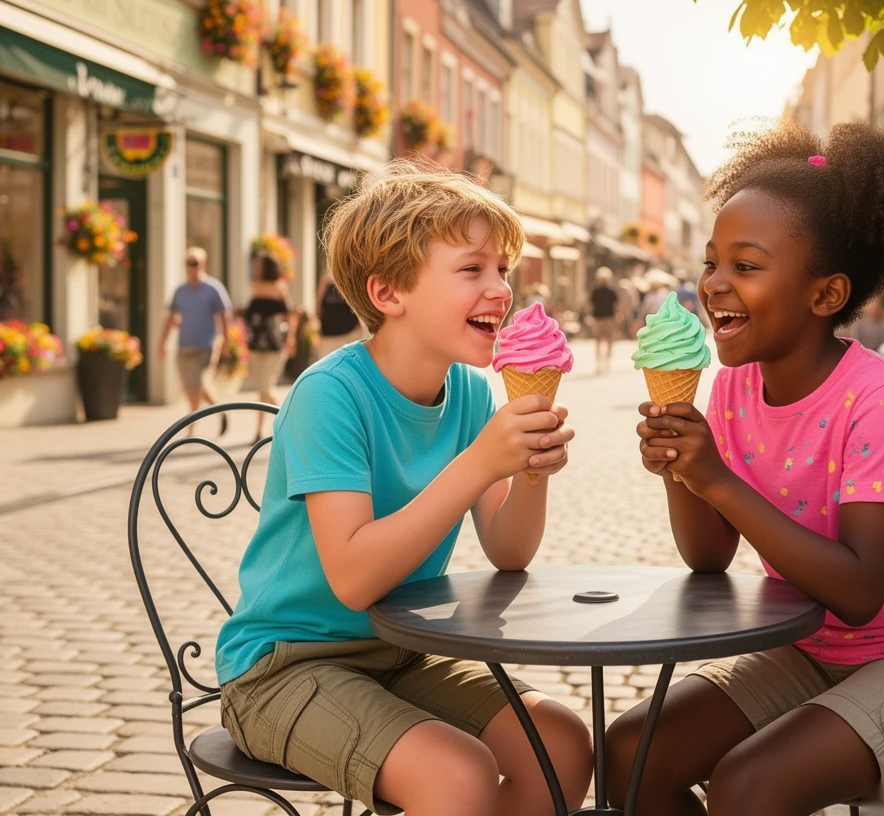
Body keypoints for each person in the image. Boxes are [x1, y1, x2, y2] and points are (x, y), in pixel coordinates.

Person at [605, 122, 884, 816]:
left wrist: (720, 481)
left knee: (749, 785)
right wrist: (682, 469)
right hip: (810, 649)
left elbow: (858, 590)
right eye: (713, 262)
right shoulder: (732, 387)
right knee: (630, 750)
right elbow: (707, 555)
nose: (714, 285)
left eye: (747, 266)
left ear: (825, 295)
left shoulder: (879, 401)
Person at [214, 164, 592, 816]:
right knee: (459, 777)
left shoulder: (471, 391)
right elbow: (354, 579)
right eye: (473, 270)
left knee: (561, 744)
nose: (501, 289)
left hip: (404, 653)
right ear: (389, 293)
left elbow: (508, 551)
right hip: (284, 669)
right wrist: (478, 463)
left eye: (503, 270)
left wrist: (530, 467)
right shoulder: (330, 395)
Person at [158, 247, 233, 434]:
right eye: (188, 263)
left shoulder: (213, 289)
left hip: (206, 347)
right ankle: (221, 411)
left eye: (194, 263)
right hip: (184, 348)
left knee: (198, 386)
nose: (191, 268)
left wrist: (226, 342)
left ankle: (190, 430)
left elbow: (224, 315)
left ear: (203, 264)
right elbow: (169, 317)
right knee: (193, 389)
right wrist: (162, 342)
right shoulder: (180, 291)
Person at [244, 253, 298, 440]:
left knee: (265, 388)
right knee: (261, 388)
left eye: (258, 265)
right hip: (256, 344)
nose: (255, 268)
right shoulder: (255, 287)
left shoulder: (280, 287)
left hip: (275, 343)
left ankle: (290, 420)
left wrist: (290, 339)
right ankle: (261, 429)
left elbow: (291, 315)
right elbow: (249, 316)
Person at [316, 271, 364, 358]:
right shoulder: (328, 279)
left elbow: (318, 308)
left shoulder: (329, 279)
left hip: (344, 332)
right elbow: (318, 308)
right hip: (334, 333)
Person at [589, 266, 620, 374]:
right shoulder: (596, 291)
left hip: (609, 318)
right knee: (598, 340)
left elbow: (616, 305)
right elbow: (591, 304)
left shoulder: (612, 291)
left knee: (609, 340)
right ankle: (599, 362)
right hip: (598, 318)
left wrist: (617, 315)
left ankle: (607, 361)